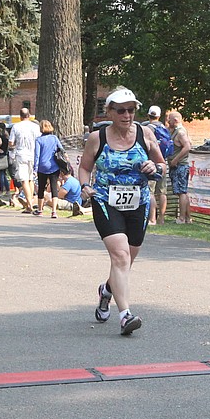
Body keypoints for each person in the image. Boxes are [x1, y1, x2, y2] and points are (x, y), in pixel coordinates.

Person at [78, 87, 165, 336]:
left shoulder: (145, 134)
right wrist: (85, 186)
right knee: (120, 257)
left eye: (131, 110)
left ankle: (107, 291)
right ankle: (125, 315)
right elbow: (84, 167)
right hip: (106, 200)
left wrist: (154, 167)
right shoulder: (98, 137)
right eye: (121, 110)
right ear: (110, 112)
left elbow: (161, 166)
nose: (127, 115)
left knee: (127, 261)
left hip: (138, 203)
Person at [144, 105, 172, 225]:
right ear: (159, 116)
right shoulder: (164, 128)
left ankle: (152, 218)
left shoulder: (147, 128)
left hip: (151, 162)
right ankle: (161, 218)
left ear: (148, 115)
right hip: (163, 162)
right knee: (162, 192)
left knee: (150, 191)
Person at [9, 107, 41, 214]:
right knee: (31, 179)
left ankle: (29, 205)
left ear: (20, 116)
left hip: (21, 154)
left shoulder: (16, 126)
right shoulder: (36, 127)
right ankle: (30, 202)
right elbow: (39, 140)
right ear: (29, 115)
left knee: (24, 180)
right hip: (33, 154)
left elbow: (11, 142)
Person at [33, 119, 64, 217]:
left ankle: (40, 210)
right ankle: (54, 211)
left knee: (41, 188)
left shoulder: (38, 140)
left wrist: (35, 168)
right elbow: (61, 149)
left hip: (42, 166)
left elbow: (37, 155)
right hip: (54, 166)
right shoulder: (54, 138)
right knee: (54, 188)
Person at [166, 109, 192, 223]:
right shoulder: (176, 131)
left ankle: (182, 218)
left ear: (175, 120)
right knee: (182, 192)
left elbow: (187, 146)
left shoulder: (180, 132)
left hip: (180, 166)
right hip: (178, 165)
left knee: (181, 192)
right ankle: (187, 218)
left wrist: (175, 160)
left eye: (169, 119)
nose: (167, 121)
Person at [0, 122, 15, 206]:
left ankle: (1, 190)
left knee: (1, 173)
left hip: (0, 156)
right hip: (5, 155)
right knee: (4, 174)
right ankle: (8, 190)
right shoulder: (6, 136)